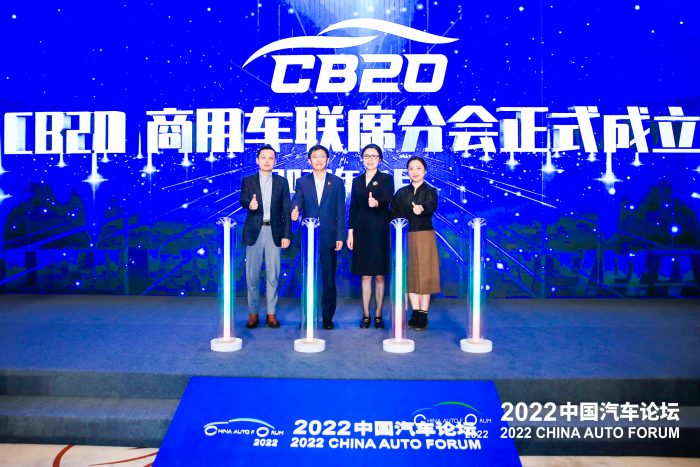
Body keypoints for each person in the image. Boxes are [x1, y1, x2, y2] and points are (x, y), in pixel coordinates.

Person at [291, 144, 346, 330]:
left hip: (330, 237)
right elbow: (297, 200)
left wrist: (340, 236)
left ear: (328, 160)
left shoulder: (336, 182)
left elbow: (341, 211)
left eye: (322, 156)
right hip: (308, 237)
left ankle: (327, 317)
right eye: (315, 157)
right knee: (308, 277)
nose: (319, 159)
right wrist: (294, 210)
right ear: (309, 161)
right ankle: (308, 315)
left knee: (328, 279)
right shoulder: (302, 181)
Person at [239, 144, 291, 329]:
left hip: (274, 232)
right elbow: (243, 199)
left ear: (275, 161)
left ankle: (271, 313)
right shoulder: (248, 180)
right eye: (263, 157)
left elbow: (286, 209)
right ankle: (253, 313)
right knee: (252, 275)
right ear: (257, 160)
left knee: (273, 276)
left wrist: (287, 234)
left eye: (271, 158)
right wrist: (249, 205)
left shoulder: (282, 182)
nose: (267, 161)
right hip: (254, 231)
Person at [389, 156, 440, 331]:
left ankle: (423, 314)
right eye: (411, 168)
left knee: (424, 274)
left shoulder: (430, 191)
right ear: (407, 172)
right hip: (405, 238)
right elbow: (392, 213)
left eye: (418, 168)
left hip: (424, 236)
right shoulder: (401, 193)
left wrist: (421, 208)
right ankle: (415, 312)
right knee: (409, 274)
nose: (414, 172)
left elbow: (431, 205)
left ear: (425, 171)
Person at [347, 144, 394, 329]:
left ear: (380, 160)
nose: (370, 159)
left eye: (374, 156)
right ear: (362, 159)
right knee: (365, 276)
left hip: (379, 230)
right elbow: (353, 208)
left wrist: (377, 203)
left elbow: (387, 199)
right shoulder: (357, 181)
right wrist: (350, 232)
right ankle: (366, 315)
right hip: (361, 231)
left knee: (379, 276)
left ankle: (378, 315)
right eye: (367, 156)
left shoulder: (386, 179)